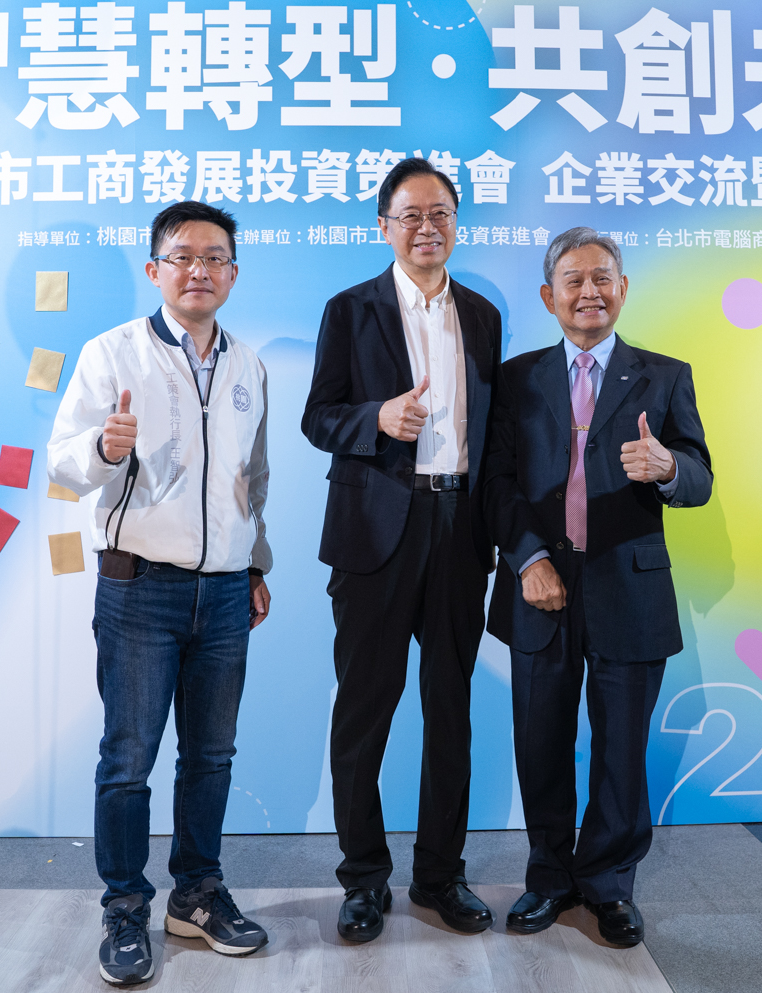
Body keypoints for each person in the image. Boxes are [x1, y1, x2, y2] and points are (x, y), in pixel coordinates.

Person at [47, 200, 274, 986]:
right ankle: (123, 907)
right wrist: (102, 447)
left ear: (233, 275)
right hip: (139, 589)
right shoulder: (112, 353)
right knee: (129, 759)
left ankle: (197, 894)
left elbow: (254, 479)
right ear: (155, 269)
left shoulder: (249, 366)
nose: (198, 270)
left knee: (211, 755)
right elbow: (62, 460)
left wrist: (255, 565)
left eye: (214, 258)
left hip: (225, 595)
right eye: (182, 256)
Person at [483, 226, 712, 947]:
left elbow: (701, 477)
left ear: (623, 289)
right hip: (540, 587)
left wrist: (667, 468)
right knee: (540, 741)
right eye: (574, 280)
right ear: (548, 296)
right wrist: (527, 560)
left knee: (621, 750)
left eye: (602, 278)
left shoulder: (664, 375)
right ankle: (549, 877)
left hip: (629, 588)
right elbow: (497, 484)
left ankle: (610, 883)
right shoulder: (516, 379)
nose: (590, 292)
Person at [301, 158, 503, 942]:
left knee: (450, 708)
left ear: (456, 223)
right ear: (383, 225)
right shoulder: (349, 310)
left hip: (458, 529)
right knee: (365, 708)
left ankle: (440, 874)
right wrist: (376, 419)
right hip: (374, 531)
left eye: (440, 213)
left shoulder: (482, 315)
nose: (427, 227)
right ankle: (363, 877)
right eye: (411, 214)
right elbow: (319, 416)